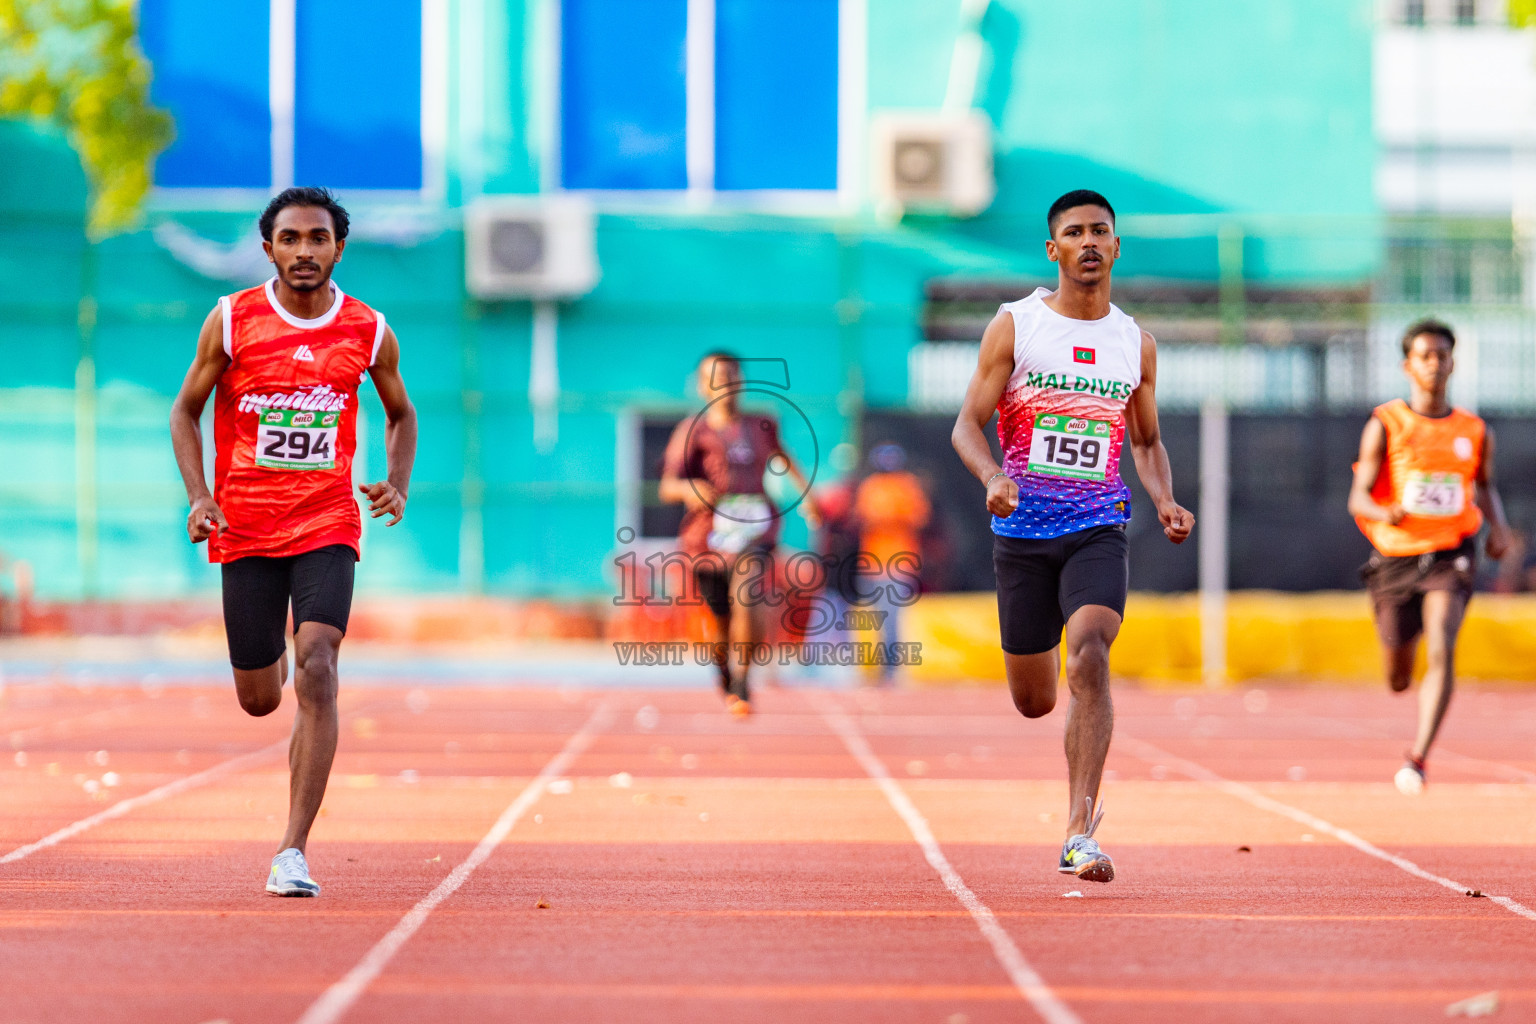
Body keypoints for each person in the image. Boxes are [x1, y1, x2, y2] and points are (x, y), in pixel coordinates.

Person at [169, 187, 418, 896]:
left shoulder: (368, 330)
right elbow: (185, 413)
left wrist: (396, 481)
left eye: (318, 238)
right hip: (244, 525)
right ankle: (267, 662)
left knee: (318, 663)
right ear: (268, 247)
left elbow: (401, 414)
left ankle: (292, 852)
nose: (304, 251)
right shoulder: (231, 320)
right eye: (290, 238)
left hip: (325, 520)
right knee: (259, 698)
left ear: (340, 248)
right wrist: (200, 496)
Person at [951, 189, 1193, 884]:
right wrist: (993, 475)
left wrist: (1164, 497)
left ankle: (1079, 831)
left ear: (1117, 247)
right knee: (1037, 700)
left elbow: (1146, 440)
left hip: (1096, 526)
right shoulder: (1017, 327)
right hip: (1022, 532)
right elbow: (967, 424)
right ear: (1052, 249)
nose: (1089, 242)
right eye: (1075, 233)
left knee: (1089, 654)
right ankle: (1071, 788)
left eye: (1101, 232)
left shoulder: (1133, 342)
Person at [1348, 319, 1510, 795]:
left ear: (1453, 362)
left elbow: (1485, 487)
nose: (1435, 364)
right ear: (1408, 365)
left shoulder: (1474, 430)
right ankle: (1403, 655)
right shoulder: (1387, 423)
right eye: (1425, 355)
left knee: (1442, 641)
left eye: (1443, 355)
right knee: (1398, 675)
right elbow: (1357, 498)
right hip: (1396, 557)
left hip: (1451, 553)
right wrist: (1386, 510)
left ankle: (1417, 758)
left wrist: (1497, 529)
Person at [659, 352, 815, 716]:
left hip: (755, 533)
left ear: (741, 380)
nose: (725, 384)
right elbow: (667, 486)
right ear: (702, 385)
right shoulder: (692, 431)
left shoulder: (762, 424)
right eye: (716, 377)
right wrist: (690, 489)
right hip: (709, 539)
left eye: (731, 375)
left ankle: (744, 681)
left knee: (749, 597)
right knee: (720, 621)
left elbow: (783, 457)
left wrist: (808, 497)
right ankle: (724, 669)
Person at [853, 442, 931, 681]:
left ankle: (892, 666)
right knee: (877, 617)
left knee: (894, 615)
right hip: (873, 561)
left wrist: (887, 518)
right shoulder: (871, 486)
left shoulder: (907, 485)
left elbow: (919, 518)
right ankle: (878, 665)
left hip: (899, 561)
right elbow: (861, 518)